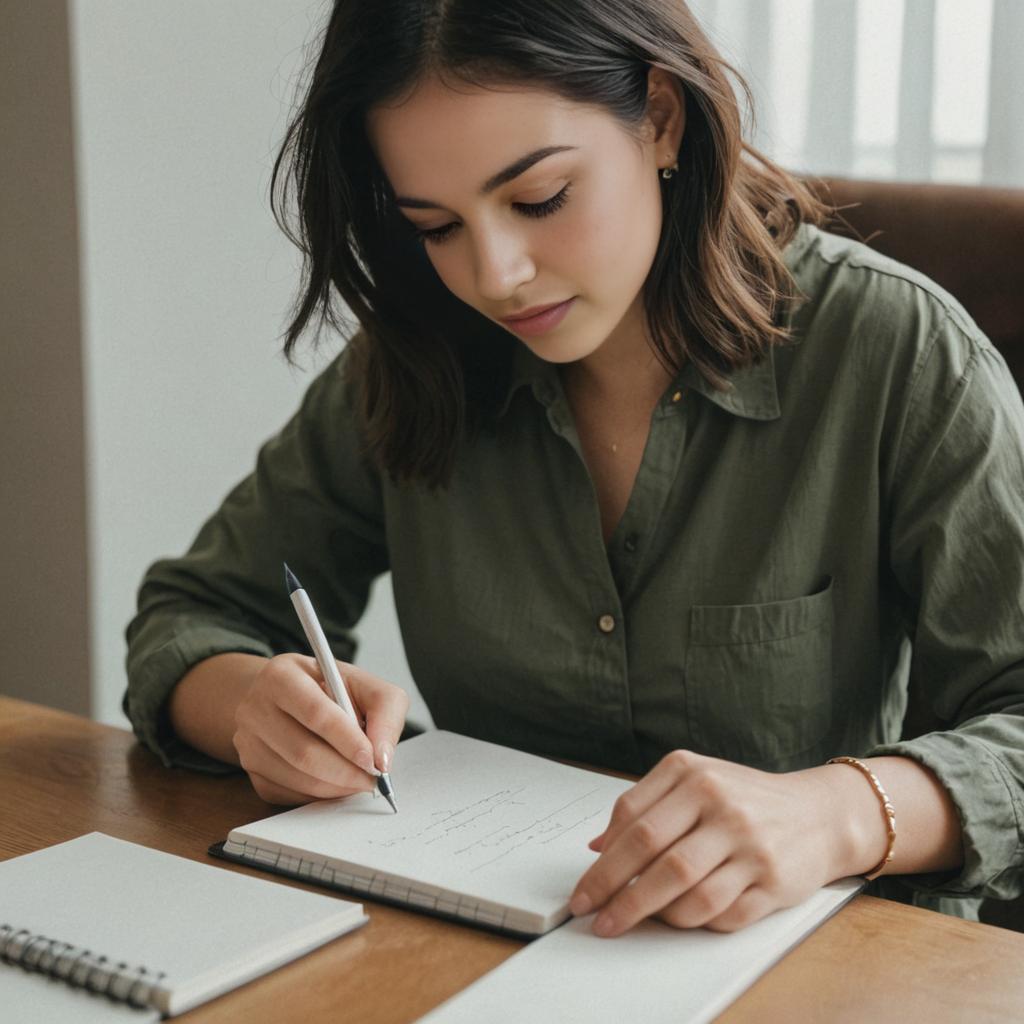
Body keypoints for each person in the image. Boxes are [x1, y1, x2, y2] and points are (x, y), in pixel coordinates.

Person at [123, 0, 1024, 938]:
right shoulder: (416, 361)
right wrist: (250, 708)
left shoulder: (899, 354)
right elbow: (191, 616)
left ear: (663, 116)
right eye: (436, 226)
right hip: (473, 958)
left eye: (539, 199)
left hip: (826, 974)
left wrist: (836, 814)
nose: (494, 273)